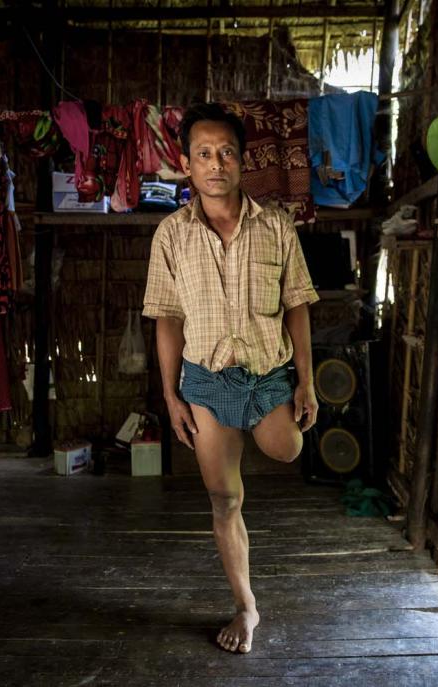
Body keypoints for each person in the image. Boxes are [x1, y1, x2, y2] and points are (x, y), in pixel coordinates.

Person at [142, 103, 320, 654]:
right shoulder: (171, 235)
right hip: (207, 381)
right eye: (203, 154)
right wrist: (171, 395)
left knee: (288, 449)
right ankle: (247, 607)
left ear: (243, 162)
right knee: (225, 500)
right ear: (187, 164)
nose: (215, 163)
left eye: (226, 152)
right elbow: (167, 319)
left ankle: (254, 428)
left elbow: (297, 306)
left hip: (268, 375)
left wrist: (306, 382)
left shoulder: (277, 227)